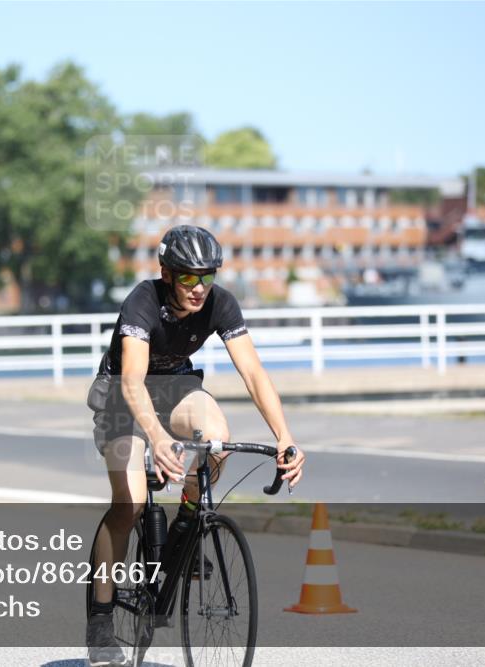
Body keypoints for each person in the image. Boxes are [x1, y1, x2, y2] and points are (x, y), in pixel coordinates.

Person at [85, 225, 306, 666]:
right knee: (130, 503)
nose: (199, 287)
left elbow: (254, 373)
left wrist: (284, 435)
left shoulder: (220, 303)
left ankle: (188, 526)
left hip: (176, 389)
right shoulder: (142, 302)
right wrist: (158, 438)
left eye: (207, 276)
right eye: (188, 277)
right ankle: (101, 619)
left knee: (217, 439)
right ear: (167, 274)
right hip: (122, 398)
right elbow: (132, 382)